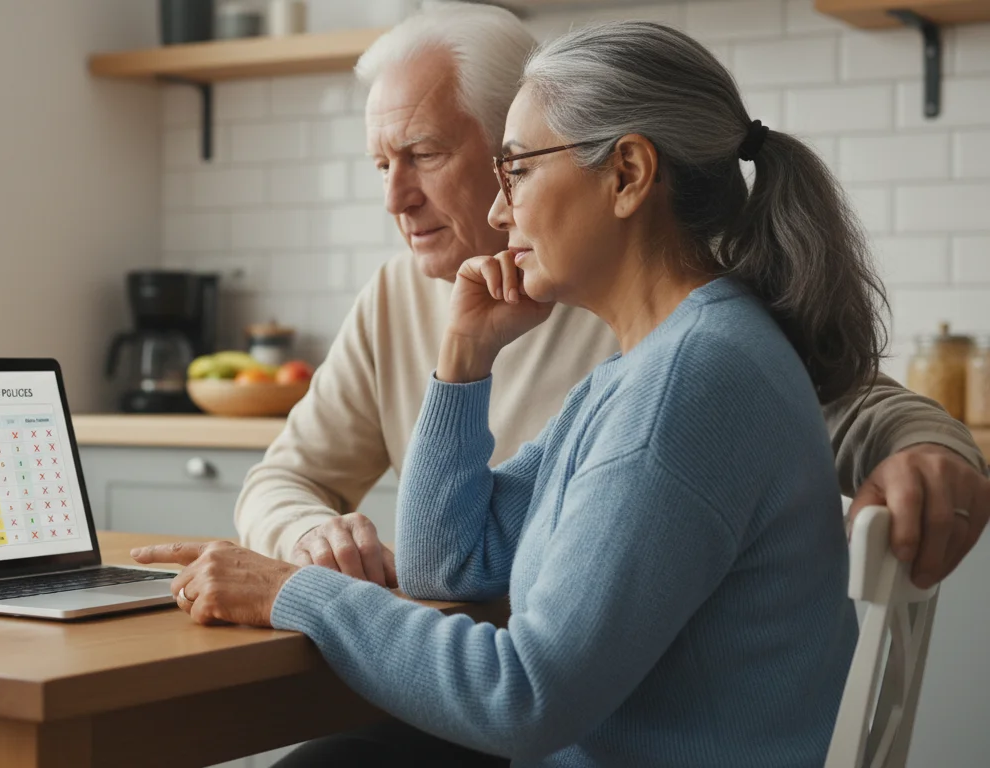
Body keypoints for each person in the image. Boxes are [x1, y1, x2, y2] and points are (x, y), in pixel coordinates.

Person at [134, 20, 879, 764]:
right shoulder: (651, 366)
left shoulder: (685, 383)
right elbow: (446, 564)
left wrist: (291, 592)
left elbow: (524, 698)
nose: (499, 211)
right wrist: (462, 359)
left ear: (626, 174)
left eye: (517, 169)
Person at [234, 2, 988, 593]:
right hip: (491, 680)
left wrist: (930, 446)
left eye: (424, 155)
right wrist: (310, 537)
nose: (396, 197)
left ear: (517, 143)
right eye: (380, 165)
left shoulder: (667, 301)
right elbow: (292, 482)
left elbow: (847, 402)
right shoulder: (399, 297)